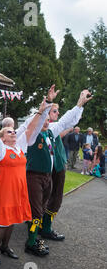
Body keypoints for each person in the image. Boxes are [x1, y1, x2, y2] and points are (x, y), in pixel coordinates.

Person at [0, 98, 52, 266]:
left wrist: (41, 110)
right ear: (3, 138)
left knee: (12, 220)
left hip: (18, 190)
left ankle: (5, 247)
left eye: (13, 132)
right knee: (2, 222)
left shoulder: (20, 146)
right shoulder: (1, 149)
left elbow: (29, 128)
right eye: (8, 132)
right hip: (5, 190)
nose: (13, 133)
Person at [25, 88, 92, 257]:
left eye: (49, 119)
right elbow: (44, 123)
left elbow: (63, 122)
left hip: (46, 176)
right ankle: (31, 242)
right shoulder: (32, 134)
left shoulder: (49, 132)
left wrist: (79, 104)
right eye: (45, 119)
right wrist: (47, 102)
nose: (47, 122)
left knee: (43, 207)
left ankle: (37, 236)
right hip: (34, 175)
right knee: (36, 211)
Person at [43, 101, 85, 243]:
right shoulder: (49, 127)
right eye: (54, 111)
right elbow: (67, 121)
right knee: (54, 197)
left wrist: (80, 106)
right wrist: (79, 104)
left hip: (56, 165)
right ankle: (45, 229)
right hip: (54, 167)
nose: (58, 113)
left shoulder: (51, 127)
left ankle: (40, 225)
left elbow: (71, 121)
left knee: (48, 197)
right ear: (46, 114)